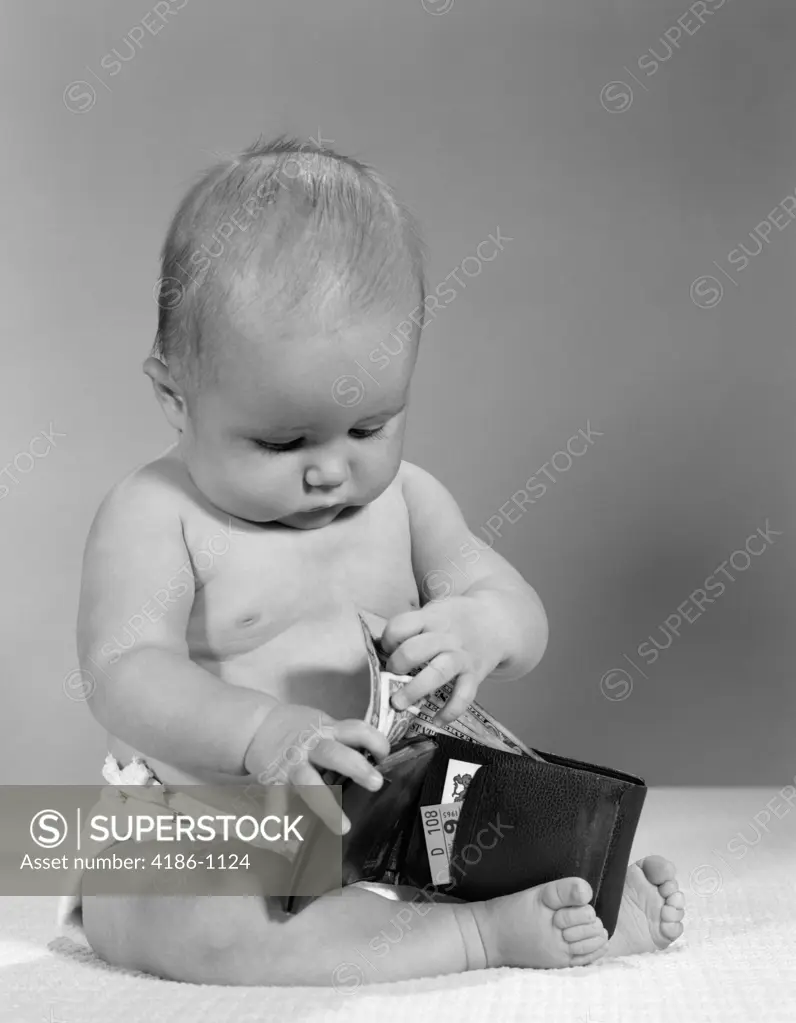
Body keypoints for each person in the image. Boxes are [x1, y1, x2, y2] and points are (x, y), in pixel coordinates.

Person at [64, 138, 684, 985]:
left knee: (499, 825)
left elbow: (517, 610)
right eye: (281, 440)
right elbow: (123, 671)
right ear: (176, 394)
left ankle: (581, 896)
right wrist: (261, 732)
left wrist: (483, 623)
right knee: (199, 916)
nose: (331, 469)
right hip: (207, 824)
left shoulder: (407, 500)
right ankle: (478, 937)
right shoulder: (156, 512)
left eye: (369, 428)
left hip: (389, 822)